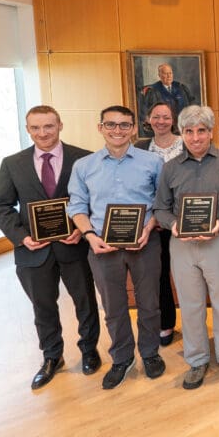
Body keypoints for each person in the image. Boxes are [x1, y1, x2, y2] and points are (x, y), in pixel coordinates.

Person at [0, 105, 101, 390]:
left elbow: (94, 202)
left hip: (74, 246)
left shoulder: (83, 158)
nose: (43, 133)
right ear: (28, 129)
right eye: (36, 128)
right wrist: (21, 237)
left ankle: (89, 350)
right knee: (43, 307)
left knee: (85, 302)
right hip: (33, 250)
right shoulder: (12, 164)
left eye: (48, 126)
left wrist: (81, 229)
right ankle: (52, 357)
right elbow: (1, 206)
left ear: (60, 125)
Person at [68, 105, 166, 390]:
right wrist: (88, 235)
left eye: (124, 125)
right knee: (113, 306)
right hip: (102, 246)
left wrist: (149, 228)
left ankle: (149, 353)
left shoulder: (153, 162)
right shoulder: (84, 166)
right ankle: (122, 358)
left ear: (134, 128)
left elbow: (163, 203)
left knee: (149, 303)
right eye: (111, 125)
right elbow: (76, 206)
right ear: (100, 128)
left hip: (145, 243)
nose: (118, 130)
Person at [153, 105, 219, 389]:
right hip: (182, 245)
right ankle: (196, 360)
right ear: (181, 133)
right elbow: (161, 207)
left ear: (210, 131)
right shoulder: (170, 168)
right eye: (189, 131)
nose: (195, 137)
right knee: (191, 303)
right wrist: (173, 225)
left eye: (201, 131)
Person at [134, 102, 183, 347]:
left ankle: (195, 324)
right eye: (156, 116)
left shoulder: (187, 143)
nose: (161, 121)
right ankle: (166, 323)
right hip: (152, 224)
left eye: (166, 117)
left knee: (187, 274)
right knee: (159, 275)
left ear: (172, 119)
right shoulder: (140, 147)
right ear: (148, 119)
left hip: (184, 221)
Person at [139, 63, 196, 136]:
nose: (169, 76)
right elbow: (146, 113)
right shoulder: (152, 91)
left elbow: (192, 105)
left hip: (183, 128)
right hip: (163, 130)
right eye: (165, 73)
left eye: (170, 73)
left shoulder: (181, 88)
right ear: (159, 75)